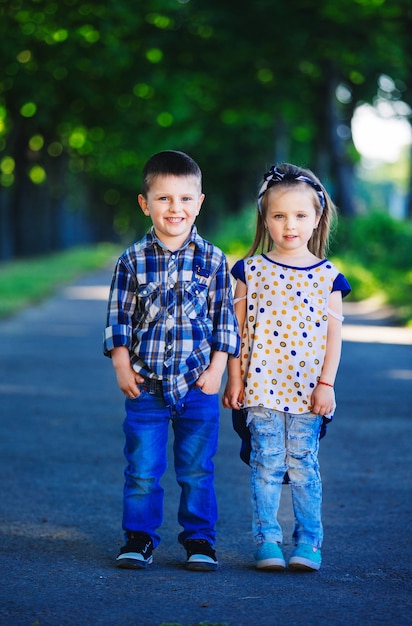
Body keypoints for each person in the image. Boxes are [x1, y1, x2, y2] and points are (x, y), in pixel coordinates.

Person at [104, 150, 240, 571]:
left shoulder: (215, 260)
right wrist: (121, 364)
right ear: (145, 204)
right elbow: (119, 317)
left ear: (199, 202)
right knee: (143, 468)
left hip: (197, 383)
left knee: (197, 469)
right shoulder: (132, 260)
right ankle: (139, 537)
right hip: (145, 385)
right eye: (163, 199)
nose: (174, 208)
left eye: (184, 199)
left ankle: (200, 540)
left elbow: (224, 322)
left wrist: (217, 370)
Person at [223, 163, 351, 572]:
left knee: (303, 465)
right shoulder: (250, 272)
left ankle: (309, 542)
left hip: (307, 392)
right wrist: (234, 379)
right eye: (279, 215)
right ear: (265, 218)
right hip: (260, 389)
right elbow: (238, 332)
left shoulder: (329, 278)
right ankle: (267, 541)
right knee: (266, 463)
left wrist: (327, 383)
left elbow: (334, 340)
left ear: (316, 219)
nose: (289, 224)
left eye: (300, 215)